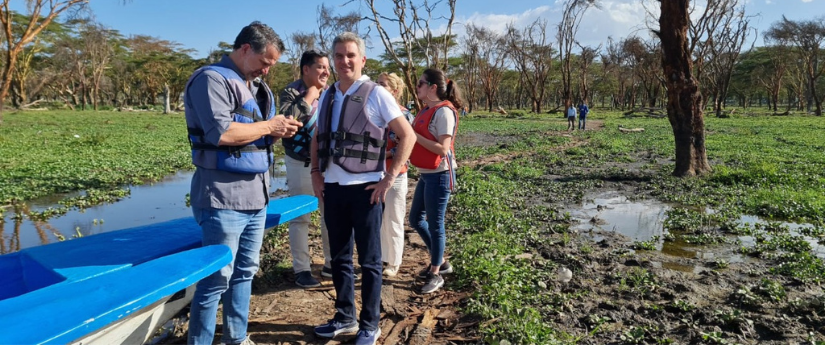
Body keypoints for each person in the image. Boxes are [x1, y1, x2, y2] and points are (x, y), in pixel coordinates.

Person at [184, 22, 300, 345]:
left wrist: (277, 131)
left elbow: (256, 138)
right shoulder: (211, 80)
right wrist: (268, 126)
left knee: (245, 272)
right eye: (265, 62)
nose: (266, 70)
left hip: (257, 198)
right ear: (246, 49)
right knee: (215, 280)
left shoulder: (257, 88)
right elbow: (221, 133)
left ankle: (236, 338)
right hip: (223, 199)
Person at [310, 32, 415, 345]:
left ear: (362, 59)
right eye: (339, 55)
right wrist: (316, 172)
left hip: (366, 189)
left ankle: (370, 324)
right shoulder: (327, 95)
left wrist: (389, 176)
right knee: (339, 258)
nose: (345, 61)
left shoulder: (376, 94)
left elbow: (406, 135)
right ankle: (344, 317)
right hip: (333, 188)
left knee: (370, 261)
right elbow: (318, 137)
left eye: (351, 55)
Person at [279, 50, 332, 288]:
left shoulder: (333, 93)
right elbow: (287, 119)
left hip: (328, 165)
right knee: (300, 217)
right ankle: (301, 269)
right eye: (320, 67)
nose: (326, 72)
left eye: (327, 67)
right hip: (300, 162)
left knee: (330, 215)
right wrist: (310, 95)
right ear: (306, 70)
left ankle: (332, 263)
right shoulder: (290, 92)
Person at [409, 68, 462, 294]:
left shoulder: (444, 113)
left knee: (435, 224)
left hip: (440, 174)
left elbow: (442, 148)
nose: (417, 87)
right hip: (427, 174)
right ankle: (440, 261)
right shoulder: (427, 110)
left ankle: (435, 273)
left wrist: (414, 137)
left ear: (432, 88)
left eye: (420, 84)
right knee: (415, 219)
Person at [376, 72, 414, 277]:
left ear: (395, 91)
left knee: (394, 218)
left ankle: (394, 261)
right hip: (375, 173)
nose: (379, 87)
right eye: (378, 83)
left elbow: (406, 146)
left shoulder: (403, 115)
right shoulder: (374, 112)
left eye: (384, 85)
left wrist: (386, 154)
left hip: (396, 173)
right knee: (380, 218)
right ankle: (383, 256)